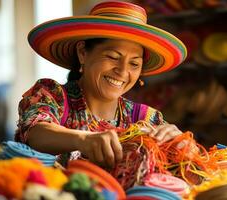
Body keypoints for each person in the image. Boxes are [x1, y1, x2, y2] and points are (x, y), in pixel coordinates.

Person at [15, 1, 187, 168]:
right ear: (83, 53)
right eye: (113, 57)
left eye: (134, 64)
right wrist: (83, 140)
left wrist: (182, 147)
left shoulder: (146, 119)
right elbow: (35, 132)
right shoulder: (51, 95)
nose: (122, 71)